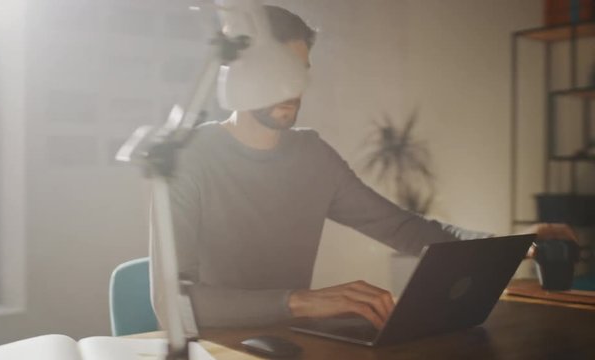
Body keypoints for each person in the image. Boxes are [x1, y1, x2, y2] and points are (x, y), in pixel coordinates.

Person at [150, 5, 577, 330]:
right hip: (218, 346)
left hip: (293, 342)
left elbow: (405, 229)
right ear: (237, 76)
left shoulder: (311, 156)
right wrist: (302, 300)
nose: (290, 90)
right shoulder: (187, 156)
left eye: (300, 72)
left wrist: (514, 245)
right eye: (277, 72)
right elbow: (175, 301)